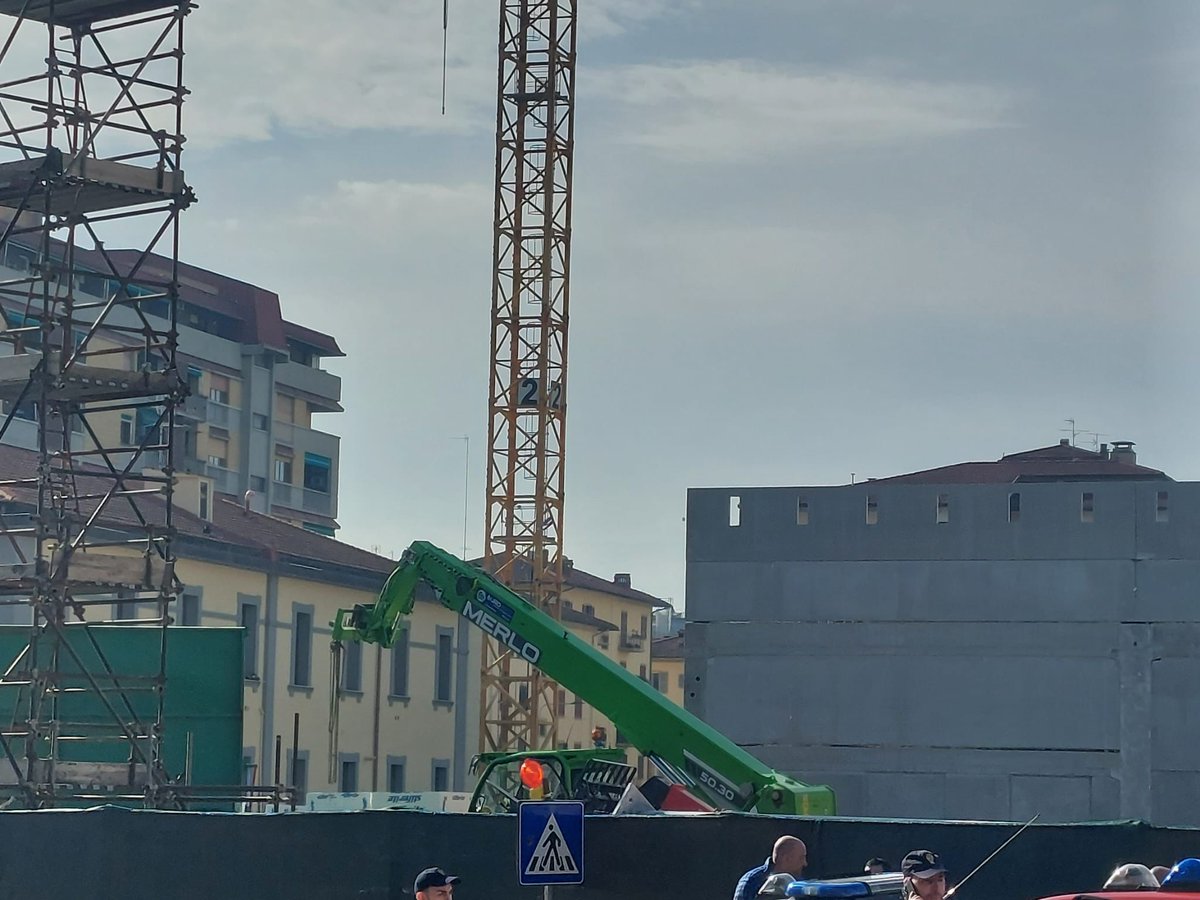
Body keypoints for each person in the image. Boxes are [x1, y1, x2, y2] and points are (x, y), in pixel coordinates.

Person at [733, 836, 808, 900]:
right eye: (801, 858)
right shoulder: (751, 881)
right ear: (786, 859)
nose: (805, 863)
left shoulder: (798, 883)